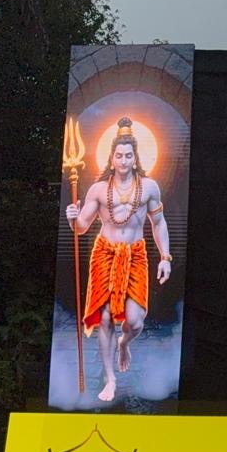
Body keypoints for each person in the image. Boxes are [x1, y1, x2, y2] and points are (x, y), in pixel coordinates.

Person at [66, 117, 171, 402]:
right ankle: (110, 379)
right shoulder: (98, 190)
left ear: (136, 158)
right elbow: (82, 227)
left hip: (135, 253)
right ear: (111, 159)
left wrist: (165, 256)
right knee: (105, 317)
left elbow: (158, 223)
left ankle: (124, 344)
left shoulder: (149, 187)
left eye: (129, 155)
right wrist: (72, 218)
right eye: (119, 155)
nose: (123, 160)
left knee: (135, 321)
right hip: (104, 253)